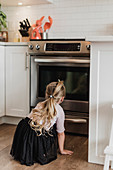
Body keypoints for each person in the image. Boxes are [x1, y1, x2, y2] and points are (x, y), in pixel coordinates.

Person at [10, 81, 73, 166]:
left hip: (23, 131)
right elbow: (60, 133)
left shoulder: (40, 104)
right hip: (37, 136)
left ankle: (26, 150)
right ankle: (39, 151)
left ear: (46, 94)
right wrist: (62, 150)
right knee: (52, 131)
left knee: (37, 129)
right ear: (62, 98)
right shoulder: (60, 111)